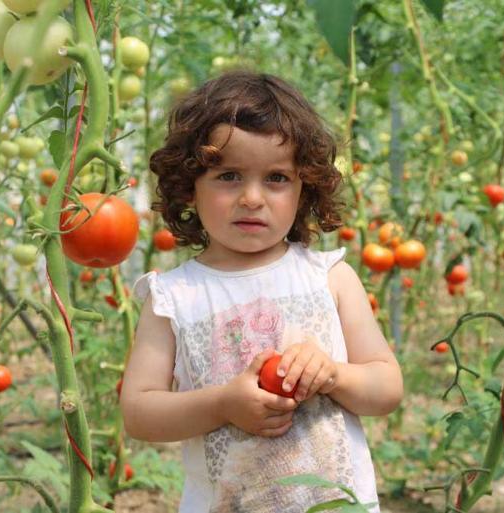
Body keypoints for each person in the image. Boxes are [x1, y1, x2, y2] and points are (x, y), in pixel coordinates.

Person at [120, 70, 403, 513]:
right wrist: (224, 403)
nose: (252, 198)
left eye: (276, 178)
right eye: (229, 176)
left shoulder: (329, 277)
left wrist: (333, 374)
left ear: (303, 188)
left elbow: (386, 388)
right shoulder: (173, 298)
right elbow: (139, 413)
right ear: (189, 185)